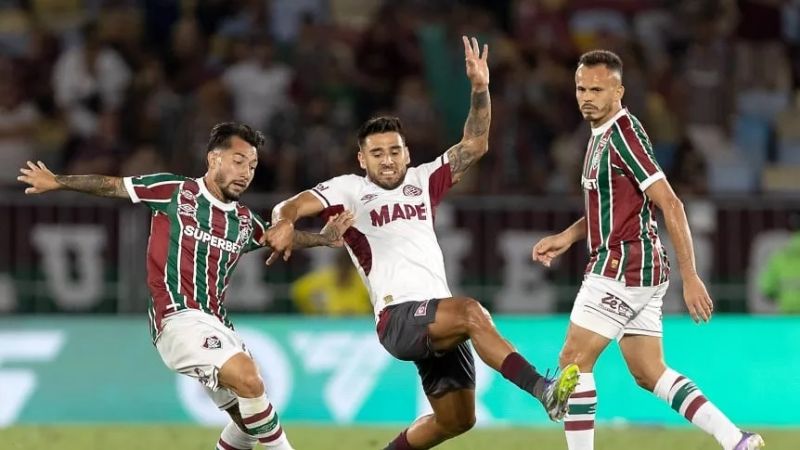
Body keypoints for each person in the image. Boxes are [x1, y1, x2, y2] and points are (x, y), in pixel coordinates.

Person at [264, 36, 580, 450]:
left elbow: (475, 144)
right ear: (362, 160)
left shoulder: (422, 181)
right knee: (470, 311)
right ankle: (544, 390)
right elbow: (292, 205)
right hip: (398, 317)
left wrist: (480, 89)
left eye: (394, 150)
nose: (388, 159)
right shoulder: (349, 190)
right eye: (377, 153)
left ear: (407, 152)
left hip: (434, 316)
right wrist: (285, 220)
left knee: (456, 420)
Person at [17, 122, 353, 450]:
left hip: (216, 322)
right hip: (176, 318)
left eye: (252, 166)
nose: (246, 172)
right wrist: (58, 181)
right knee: (250, 379)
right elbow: (112, 185)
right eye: (238, 161)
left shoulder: (244, 220)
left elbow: (277, 237)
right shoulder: (175, 192)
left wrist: (324, 239)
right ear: (213, 159)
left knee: (247, 421)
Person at [531, 50, 764, 450]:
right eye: (581, 88)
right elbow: (612, 208)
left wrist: (691, 277)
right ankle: (736, 439)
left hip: (623, 264)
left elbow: (670, 202)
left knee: (573, 361)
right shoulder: (598, 135)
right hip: (638, 266)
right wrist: (568, 237)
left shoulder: (622, 133)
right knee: (648, 371)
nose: (587, 96)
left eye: (597, 89)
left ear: (618, 91)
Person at [290, 249, 372, 315]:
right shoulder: (323, 279)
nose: (344, 269)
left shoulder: (362, 282)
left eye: (348, 265)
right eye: (342, 264)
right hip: (327, 327)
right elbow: (297, 290)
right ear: (337, 264)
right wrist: (312, 308)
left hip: (358, 327)